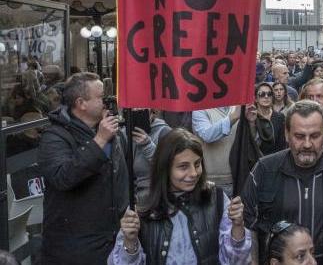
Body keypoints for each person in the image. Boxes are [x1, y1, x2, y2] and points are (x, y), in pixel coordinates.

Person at [241, 100, 323, 265]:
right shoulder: (264, 170)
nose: (307, 144)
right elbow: (249, 226)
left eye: (315, 136)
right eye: (299, 136)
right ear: (287, 134)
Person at [109, 129, 252, 264]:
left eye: (197, 164)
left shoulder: (217, 198)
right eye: (183, 167)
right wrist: (129, 241)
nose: (194, 173)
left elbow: (237, 261)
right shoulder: (141, 206)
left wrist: (237, 227)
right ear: (165, 168)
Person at [39, 72, 128, 264]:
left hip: (110, 241)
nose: (107, 101)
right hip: (73, 249)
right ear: (81, 103)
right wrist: (100, 140)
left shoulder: (107, 130)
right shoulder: (54, 136)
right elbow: (63, 177)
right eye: (100, 97)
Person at [230, 83, 288, 196]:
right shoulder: (249, 116)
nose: (266, 97)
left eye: (269, 94)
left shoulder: (280, 117)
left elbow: (282, 146)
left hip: (274, 167)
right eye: (262, 94)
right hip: (254, 166)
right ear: (256, 98)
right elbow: (248, 144)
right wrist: (252, 122)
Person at [192, 105, 241, 195]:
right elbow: (207, 135)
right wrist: (233, 117)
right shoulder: (200, 110)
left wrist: (251, 123)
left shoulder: (237, 107)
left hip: (238, 178)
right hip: (211, 181)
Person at [132, 109, 172, 204]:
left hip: (155, 195)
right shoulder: (124, 132)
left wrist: (147, 145)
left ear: (152, 112)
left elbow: (170, 167)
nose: (138, 110)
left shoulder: (164, 132)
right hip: (133, 197)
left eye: (142, 111)